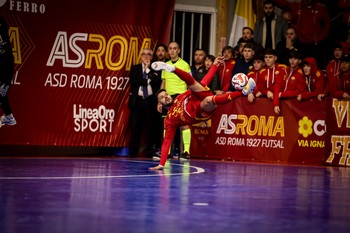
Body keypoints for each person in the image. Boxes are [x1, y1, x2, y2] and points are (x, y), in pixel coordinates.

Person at [148, 57, 256, 170]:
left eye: (166, 94)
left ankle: (173, 69)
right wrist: (161, 164)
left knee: (192, 84)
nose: (166, 97)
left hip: (200, 96)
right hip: (201, 111)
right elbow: (167, 141)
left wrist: (214, 65)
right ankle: (242, 92)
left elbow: (204, 81)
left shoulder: (180, 97)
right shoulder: (169, 119)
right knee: (208, 100)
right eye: (162, 98)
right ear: (159, 103)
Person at [159, 41, 191, 159]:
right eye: (170, 48)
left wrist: (188, 98)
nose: (172, 51)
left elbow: (190, 82)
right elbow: (164, 83)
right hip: (168, 98)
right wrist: (160, 100)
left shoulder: (184, 65)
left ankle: (186, 151)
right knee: (167, 125)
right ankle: (166, 152)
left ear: (179, 51)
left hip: (181, 97)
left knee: (184, 125)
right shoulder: (165, 65)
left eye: (174, 48)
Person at [128, 48, 162, 157]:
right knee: (135, 126)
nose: (146, 56)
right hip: (137, 101)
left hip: (150, 100)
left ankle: (149, 151)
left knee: (150, 127)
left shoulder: (155, 68)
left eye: (149, 54)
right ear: (140, 56)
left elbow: (156, 80)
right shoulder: (135, 68)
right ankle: (133, 151)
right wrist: (147, 81)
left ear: (152, 57)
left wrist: (148, 70)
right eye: (143, 54)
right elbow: (133, 80)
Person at [255, 48, 287, 114]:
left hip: (283, 101)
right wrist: (267, 92)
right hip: (267, 102)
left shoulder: (282, 68)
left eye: (270, 57)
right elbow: (260, 87)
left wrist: (267, 92)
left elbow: (281, 86)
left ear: (275, 58)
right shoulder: (262, 71)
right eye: (266, 57)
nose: (268, 59)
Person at [0, 16, 16, 127]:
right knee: (1, 95)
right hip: (6, 65)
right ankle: (9, 117)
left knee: (1, 93)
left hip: (6, 66)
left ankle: (9, 117)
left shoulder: (1, 22)